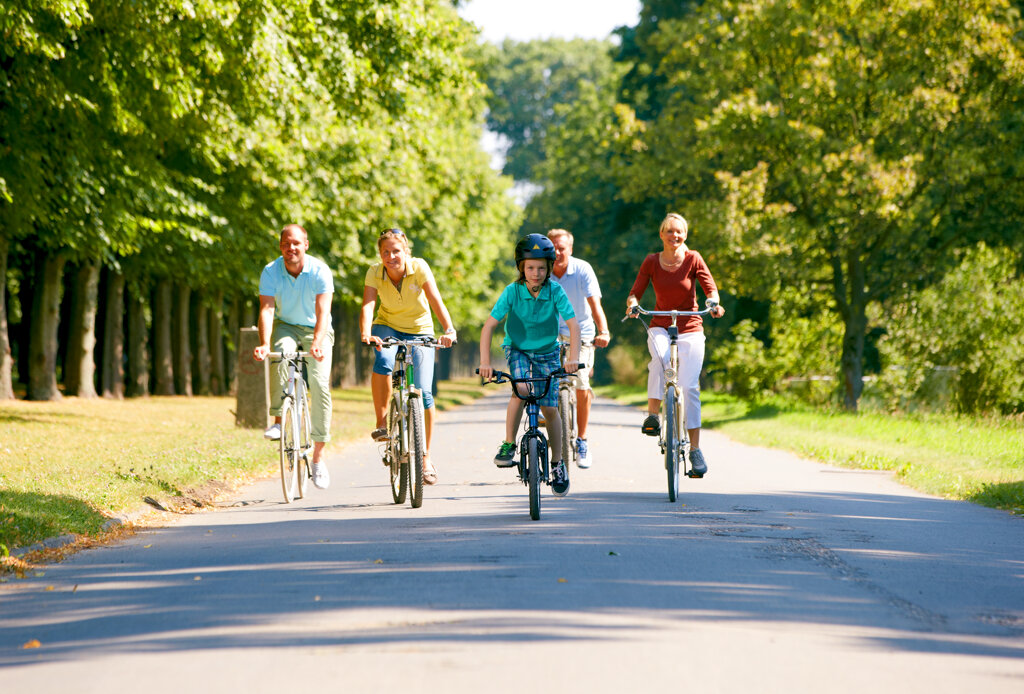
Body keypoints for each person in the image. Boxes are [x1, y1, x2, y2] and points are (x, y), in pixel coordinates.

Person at [479, 233, 580, 497]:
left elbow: (573, 325)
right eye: (530, 267)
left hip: (548, 352)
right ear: (521, 268)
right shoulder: (512, 292)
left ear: (549, 269)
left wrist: (572, 359)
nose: (535, 273)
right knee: (521, 389)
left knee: (550, 407)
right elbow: (489, 326)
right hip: (519, 350)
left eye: (541, 268)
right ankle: (509, 444)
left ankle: (558, 463)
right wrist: (486, 363)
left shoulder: (554, 291)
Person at [625, 213, 725, 477]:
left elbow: (710, 289)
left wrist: (713, 304)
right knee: (659, 360)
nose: (674, 236)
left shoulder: (694, 259)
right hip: (660, 323)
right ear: (661, 234)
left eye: (679, 231)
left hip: (690, 325)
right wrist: (633, 305)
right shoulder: (651, 261)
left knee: (690, 386)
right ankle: (653, 416)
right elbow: (635, 292)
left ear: (685, 235)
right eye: (669, 231)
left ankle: (695, 449)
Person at [360, 228, 456, 486]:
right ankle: (381, 421)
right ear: (380, 255)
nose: (391, 256)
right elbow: (368, 304)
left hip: (420, 330)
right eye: (385, 252)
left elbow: (435, 299)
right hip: (387, 326)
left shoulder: (420, 267)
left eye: (396, 251)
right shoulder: (374, 272)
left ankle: (425, 457)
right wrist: (366, 333)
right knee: (383, 361)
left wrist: (448, 329)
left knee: (424, 393)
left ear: (406, 251)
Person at [254, 224, 335, 489]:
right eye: (287, 244)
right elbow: (266, 310)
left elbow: (323, 313)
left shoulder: (320, 271)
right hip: (286, 325)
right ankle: (278, 420)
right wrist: (265, 344)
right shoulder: (270, 271)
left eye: (297, 243)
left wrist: (319, 343)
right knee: (281, 356)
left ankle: (319, 458)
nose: (292, 248)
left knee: (320, 384)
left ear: (306, 245)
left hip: (316, 329)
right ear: (281, 247)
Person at [546, 228, 610, 469]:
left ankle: (582, 439)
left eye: (561, 248)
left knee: (581, 383)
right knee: (545, 378)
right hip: (550, 333)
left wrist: (603, 330)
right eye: (552, 248)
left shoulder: (582, 269)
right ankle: (549, 414)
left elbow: (595, 305)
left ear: (570, 250)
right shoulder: (540, 271)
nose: (557, 252)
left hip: (581, 333)